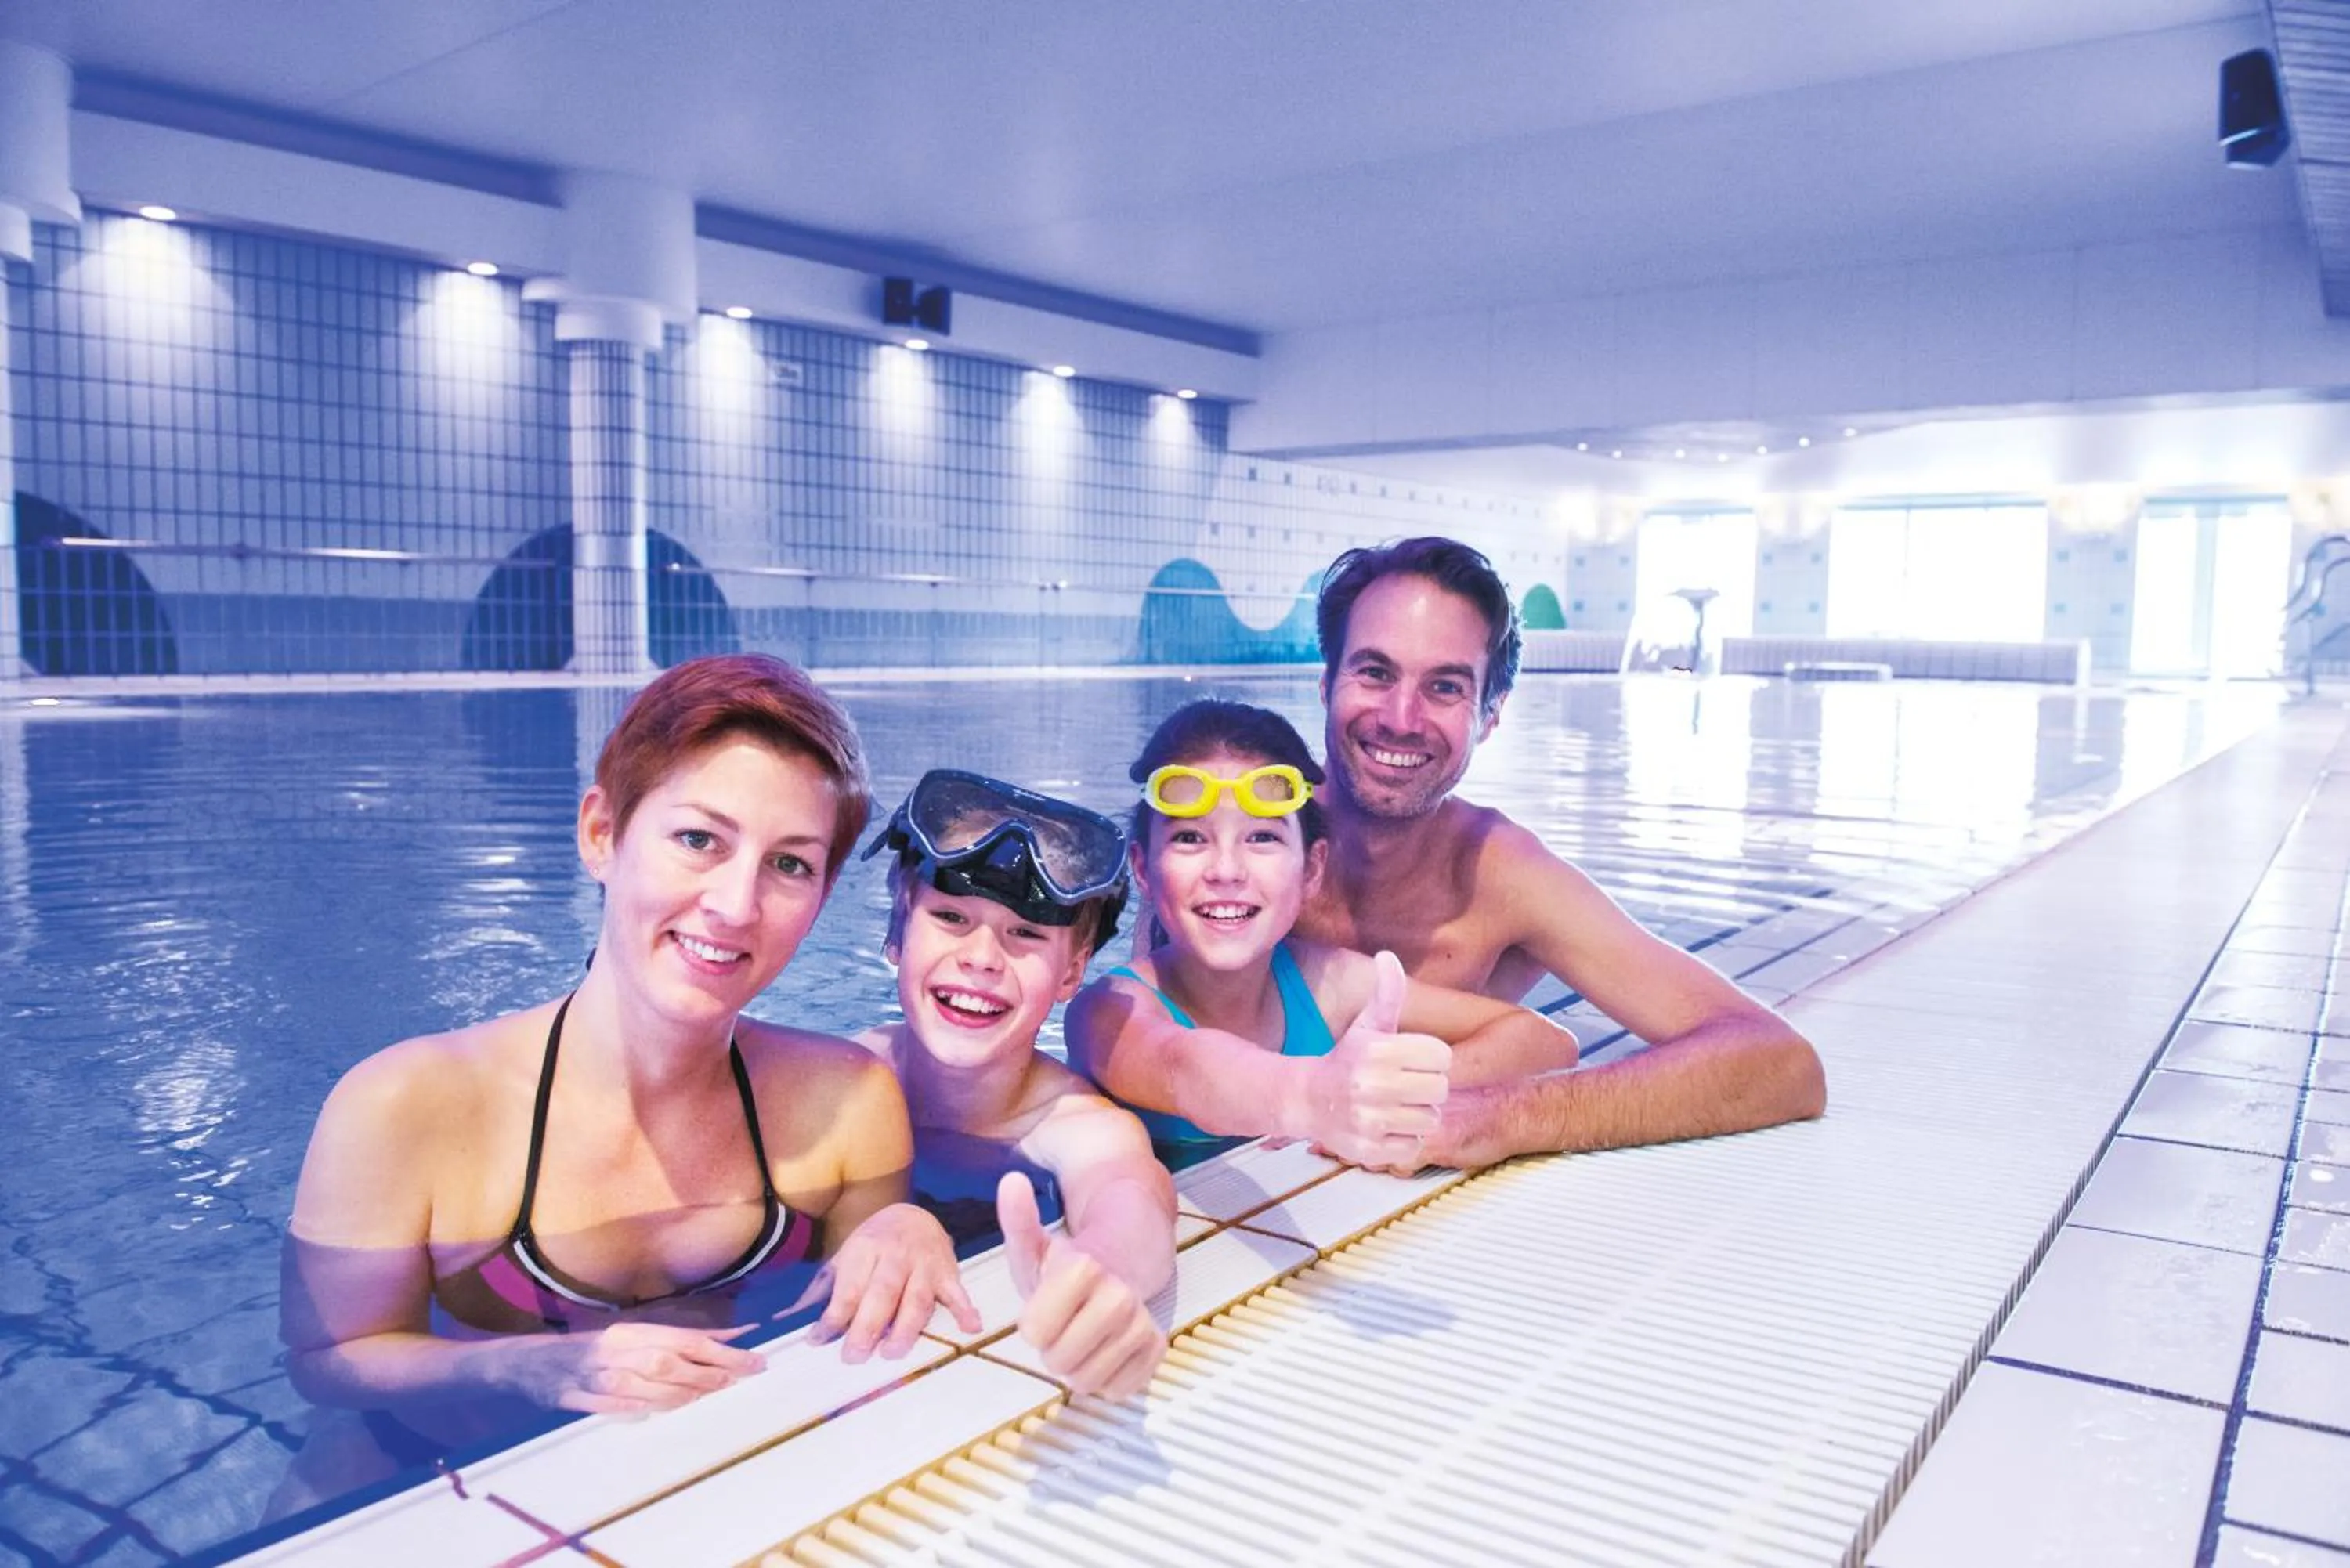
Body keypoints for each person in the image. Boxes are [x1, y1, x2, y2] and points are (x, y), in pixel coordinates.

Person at [273, 654, 976, 1512]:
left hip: (697, 1475)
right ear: (602, 833)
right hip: (441, 1480)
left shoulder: (846, 1102)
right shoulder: (406, 1107)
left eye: (790, 864)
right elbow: (328, 1360)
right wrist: (527, 1364)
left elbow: (860, 1328)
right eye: (698, 839)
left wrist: (904, 1226)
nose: (735, 903)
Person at [1292, 537, 1828, 1169]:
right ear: (1327, 684)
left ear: (1490, 717)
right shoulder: (1230, 837)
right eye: (1376, 673)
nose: (1401, 717)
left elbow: (1778, 1062)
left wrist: (1509, 1115)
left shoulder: (1505, 877)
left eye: (1445, 688)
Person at [1067, 701, 1577, 1172]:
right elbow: (1185, 1068)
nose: (1226, 869)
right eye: (1190, 838)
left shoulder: (1327, 981)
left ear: (1311, 870)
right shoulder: (1109, 1013)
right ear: (1142, 868)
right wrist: (1311, 1099)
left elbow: (1546, 1042)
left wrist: (1377, 1097)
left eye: (1262, 837)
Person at [856, 770, 1176, 1400]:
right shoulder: (830, 1079)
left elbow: (1130, 1195)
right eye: (950, 916)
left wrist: (1101, 1272)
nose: (981, 957)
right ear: (897, 932)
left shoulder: (1078, 1124)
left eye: (1025, 934)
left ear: (1071, 974)